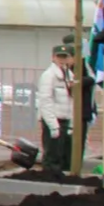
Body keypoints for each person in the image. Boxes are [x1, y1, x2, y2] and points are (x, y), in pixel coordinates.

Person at [37, 44, 75, 174]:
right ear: (53, 57)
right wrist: (53, 125)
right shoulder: (49, 75)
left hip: (65, 119)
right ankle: (49, 178)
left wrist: (71, 122)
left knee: (63, 154)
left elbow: (71, 101)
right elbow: (45, 101)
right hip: (53, 120)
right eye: (59, 57)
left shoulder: (69, 75)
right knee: (52, 155)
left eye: (65, 57)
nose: (62, 60)